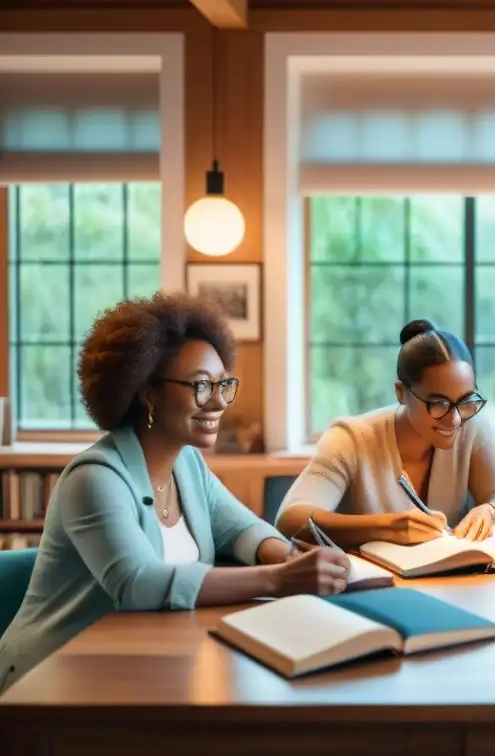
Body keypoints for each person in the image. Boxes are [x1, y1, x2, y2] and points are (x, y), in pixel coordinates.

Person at [0, 293, 351, 695]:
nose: (218, 402)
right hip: (49, 680)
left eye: (223, 385)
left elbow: (239, 529)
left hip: (138, 664)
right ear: (147, 393)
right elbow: (138, 584)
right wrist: (278, 579)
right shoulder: (94, 479)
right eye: (202, 386)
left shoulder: (187, 466)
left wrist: (287, 554)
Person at [275, 320, 495, 547]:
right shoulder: (350, 439)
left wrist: (491, 509)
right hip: (367, 587)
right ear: (401, 393)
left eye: (466, 401)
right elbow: (291, 519)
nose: (455, 418)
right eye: (439, 403)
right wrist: (386, 527)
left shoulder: (473, 427)